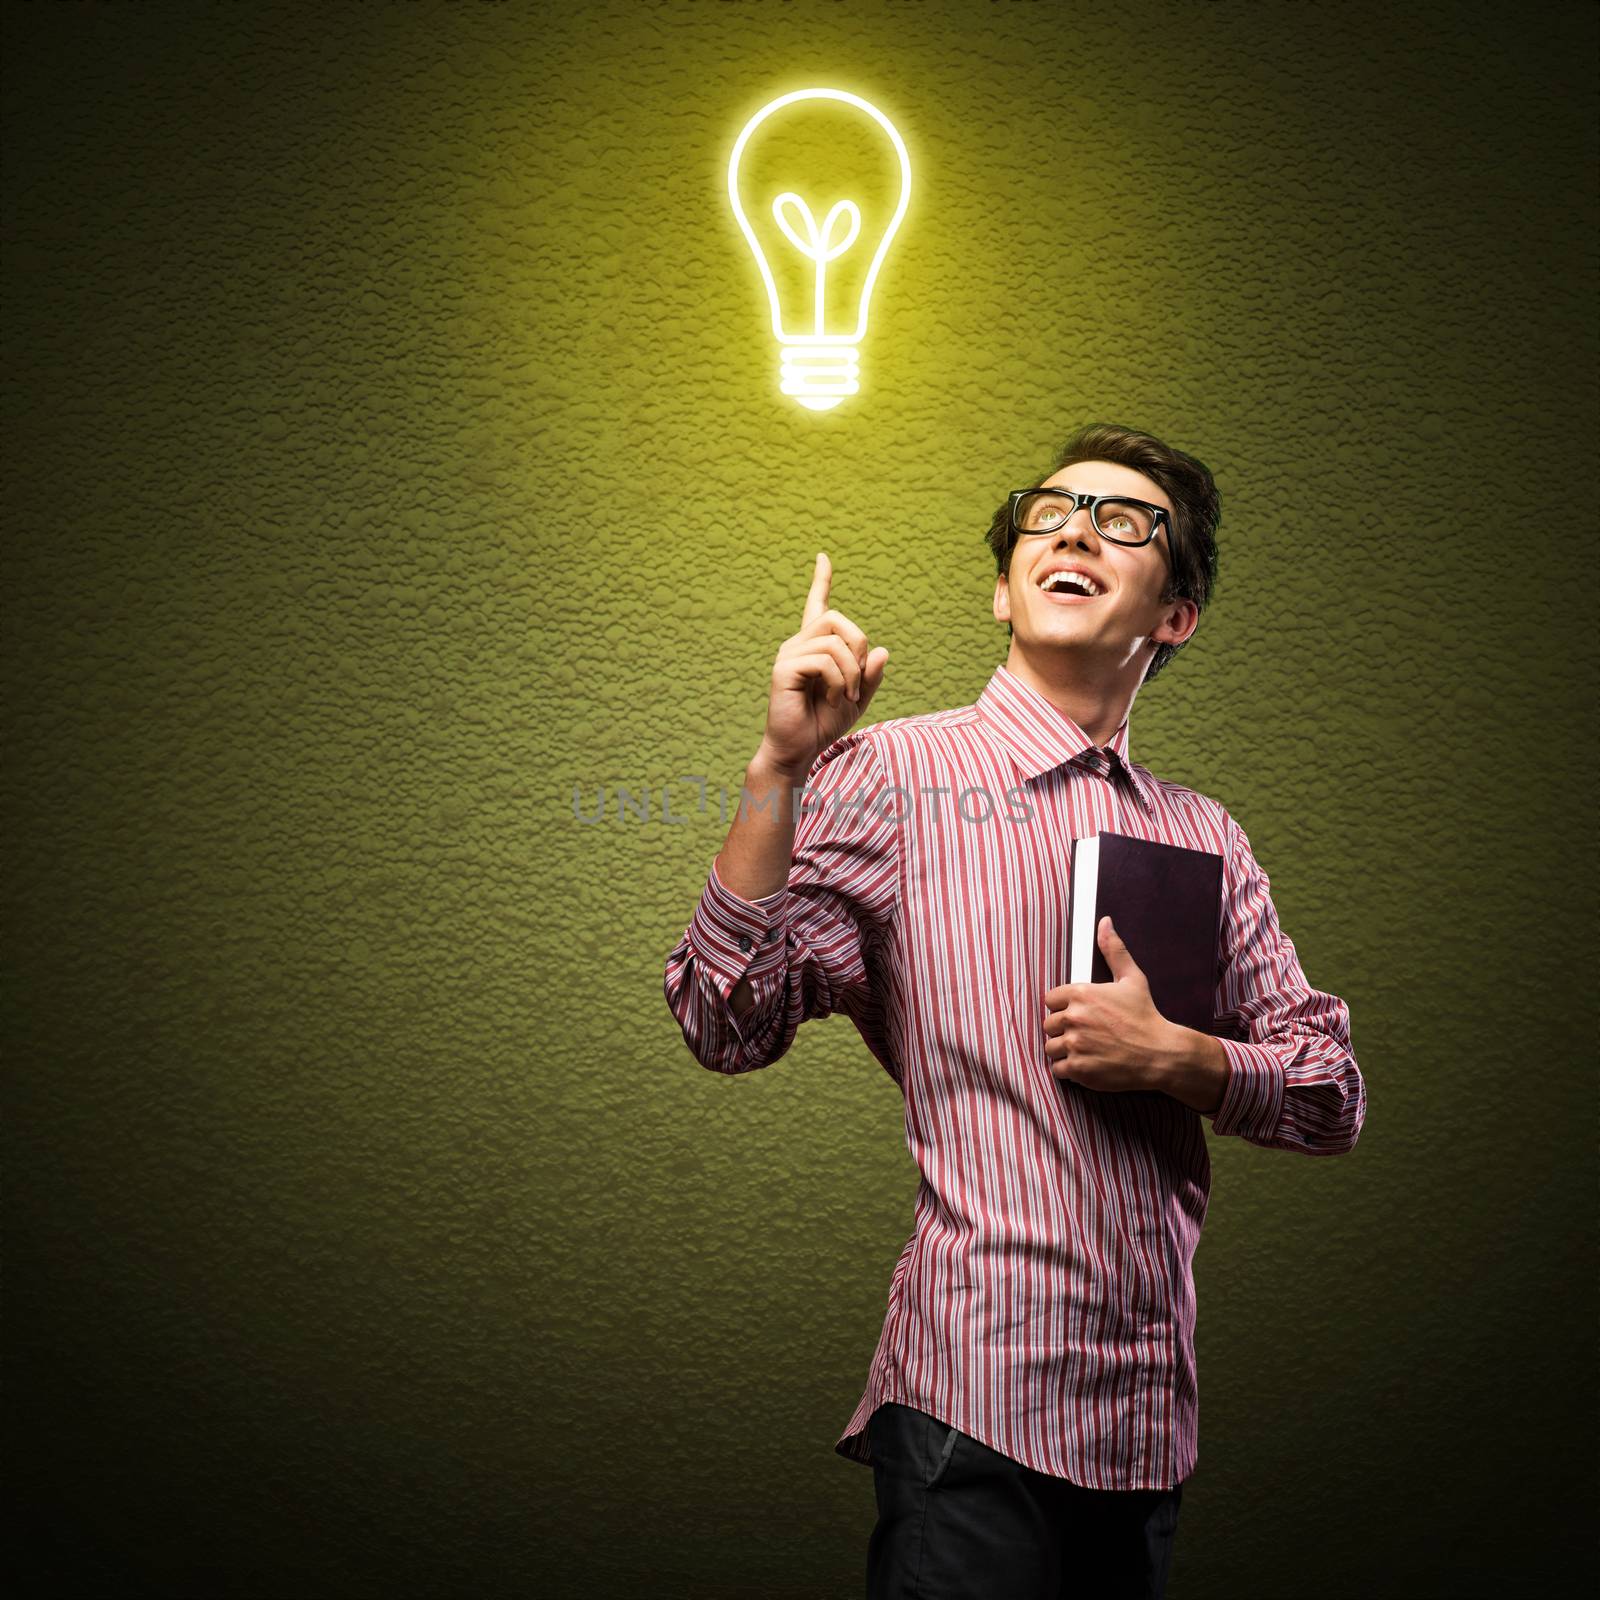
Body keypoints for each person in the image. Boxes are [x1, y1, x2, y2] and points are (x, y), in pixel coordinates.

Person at [662, 421, 1367, 1599]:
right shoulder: (888, 777)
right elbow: (723, 1022)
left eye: (1126, 521)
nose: (1080, 527)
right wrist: (777, 772)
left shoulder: (1206, 837)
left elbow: (1329, 1093)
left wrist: (1182, 1057)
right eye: (1050, 513)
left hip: (1146, 1420)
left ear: (1175, 615)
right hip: (972, 1399)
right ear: (1002, 588)